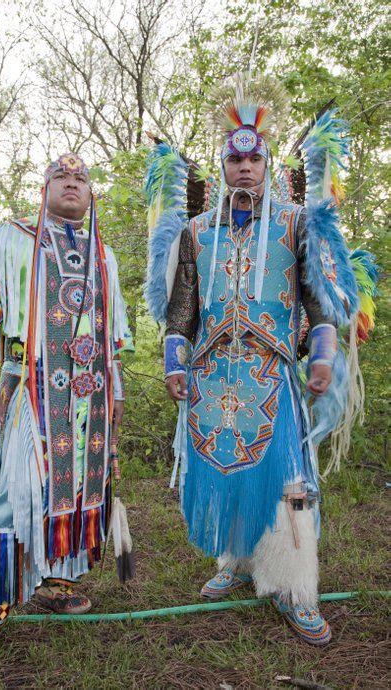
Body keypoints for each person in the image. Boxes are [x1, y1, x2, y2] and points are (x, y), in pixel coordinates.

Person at [157, 75, 364, 646]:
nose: (244, 167)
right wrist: (176, 364)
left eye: (255, 158)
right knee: (226, 471)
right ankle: (237, 561)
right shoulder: (198, 233)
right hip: (213, 373)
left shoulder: (297, 223)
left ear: (267, 164)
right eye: (234, 159)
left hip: (272, 374)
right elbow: (181, 312)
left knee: (288, 482)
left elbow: (321, 302)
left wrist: (321, 359)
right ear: (222, 167)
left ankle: (297, 589)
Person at [0, 153, 134, 660]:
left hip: (90, 393)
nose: (72, 183)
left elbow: (114, 333)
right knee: (19, 490)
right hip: (32, 384)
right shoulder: (13, 238)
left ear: (92, 194)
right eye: (62, 177)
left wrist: (115, 393)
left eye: (82, 178)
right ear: (44, 188)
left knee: (77, 491)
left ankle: (54, 581)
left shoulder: (104, 255)